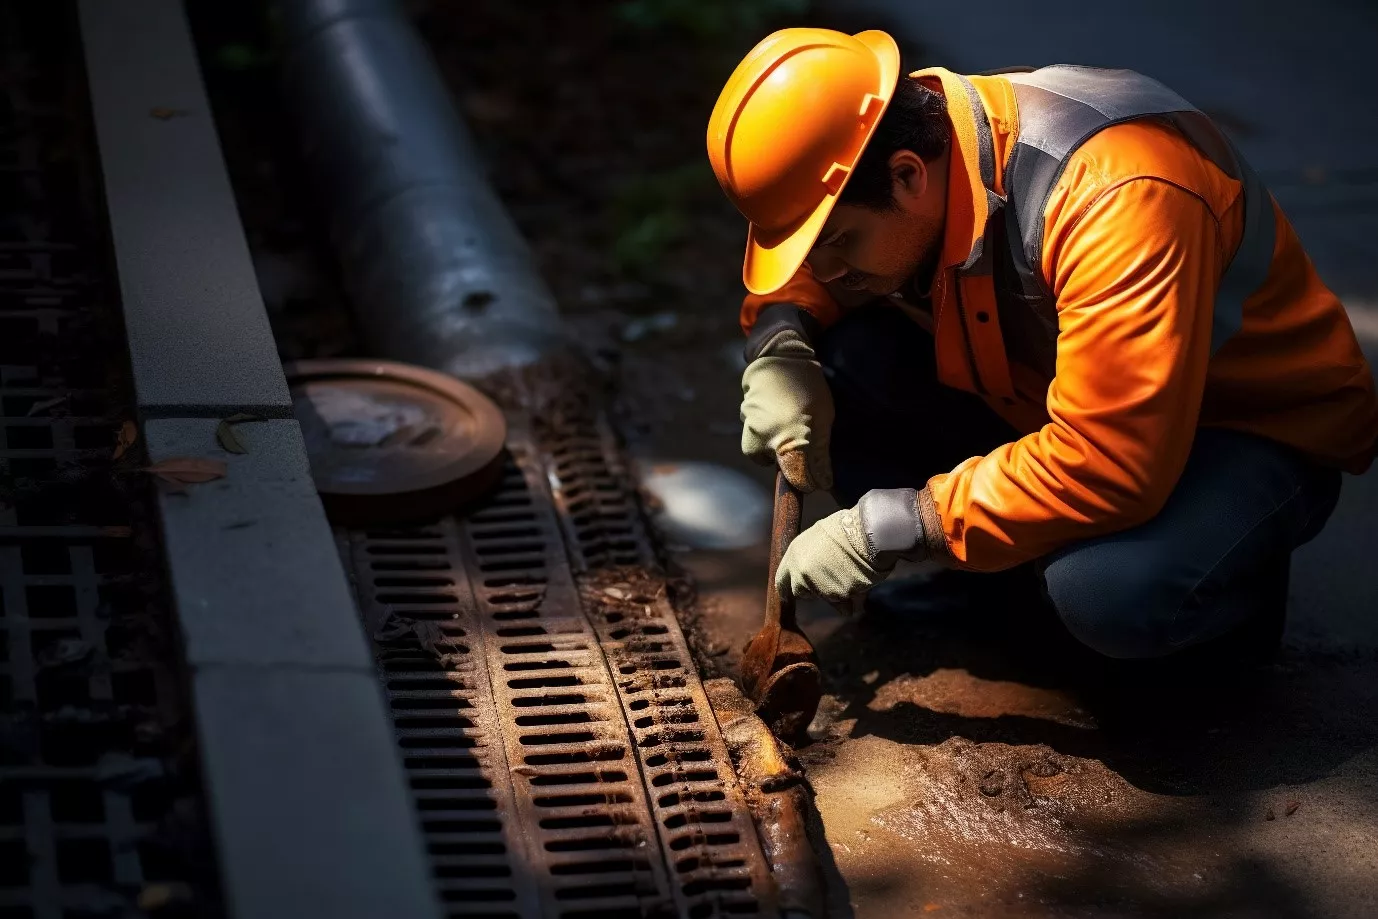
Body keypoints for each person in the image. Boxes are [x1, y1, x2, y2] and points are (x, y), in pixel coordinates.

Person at [706, 28, 1377, 660]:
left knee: (1107, 592)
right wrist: (782, 338)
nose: (825, 270)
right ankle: (1004, 592)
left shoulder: (1117, 196)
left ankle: (1225, 607)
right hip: (1066, 400)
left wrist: (903, 522)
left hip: (1246, 429)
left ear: (907, 175)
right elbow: (809, 262)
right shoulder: (918, 142)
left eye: (838, 244)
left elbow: (1109, 459)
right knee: (842, 363)